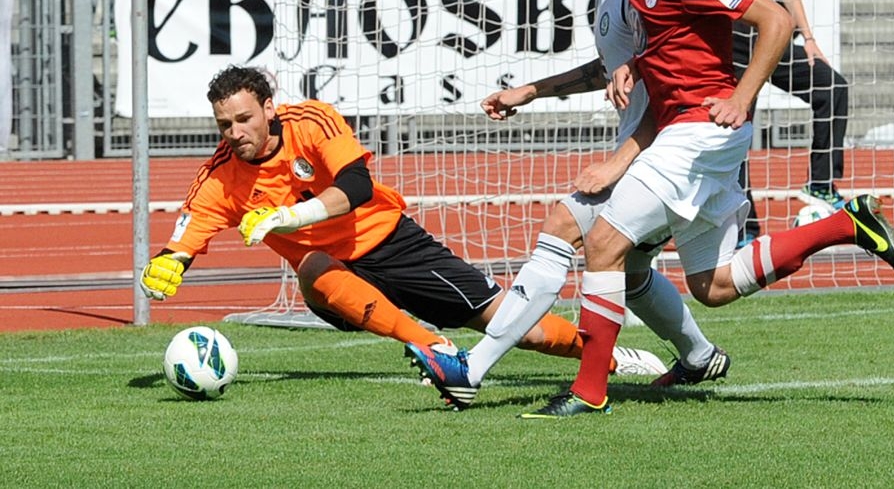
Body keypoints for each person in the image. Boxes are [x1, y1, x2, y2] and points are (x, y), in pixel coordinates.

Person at [522, 0, 894, 419]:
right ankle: (846, 225)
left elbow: (775, 19)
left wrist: (741, 96)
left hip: (698, 130)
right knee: (713, 285)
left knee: (604, 245)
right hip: (689, 130)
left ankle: (588, 391)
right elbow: (674, 40)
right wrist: (634, 65)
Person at [404, 0, 730, 410]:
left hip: (663, 149)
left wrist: (620, 161)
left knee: (566, 226)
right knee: (640, 271)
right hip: (655, 147)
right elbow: (613, 68)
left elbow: (666, 79)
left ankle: (473, 369)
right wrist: (531, 91)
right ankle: (698, 355)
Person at [140, 66, 667, 385]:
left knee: (518, 326)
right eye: (225, 125)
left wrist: (288, 216)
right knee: (312, 266)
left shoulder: (312, 121)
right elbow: (184, 241)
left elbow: (356, 186)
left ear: (269, 109)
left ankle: (609, 358)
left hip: (391, 242)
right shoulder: (220, 177)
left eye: (244, 119)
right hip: (336, 277)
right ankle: (432, 348)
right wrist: (168, 264)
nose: (235, 132)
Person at [696, 0, 851, 244]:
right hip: (730, 51)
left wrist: (809, 39)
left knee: (832, 88)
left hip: (773, 43)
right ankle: (744, 226)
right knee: (734, 129)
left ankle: (821, 184)